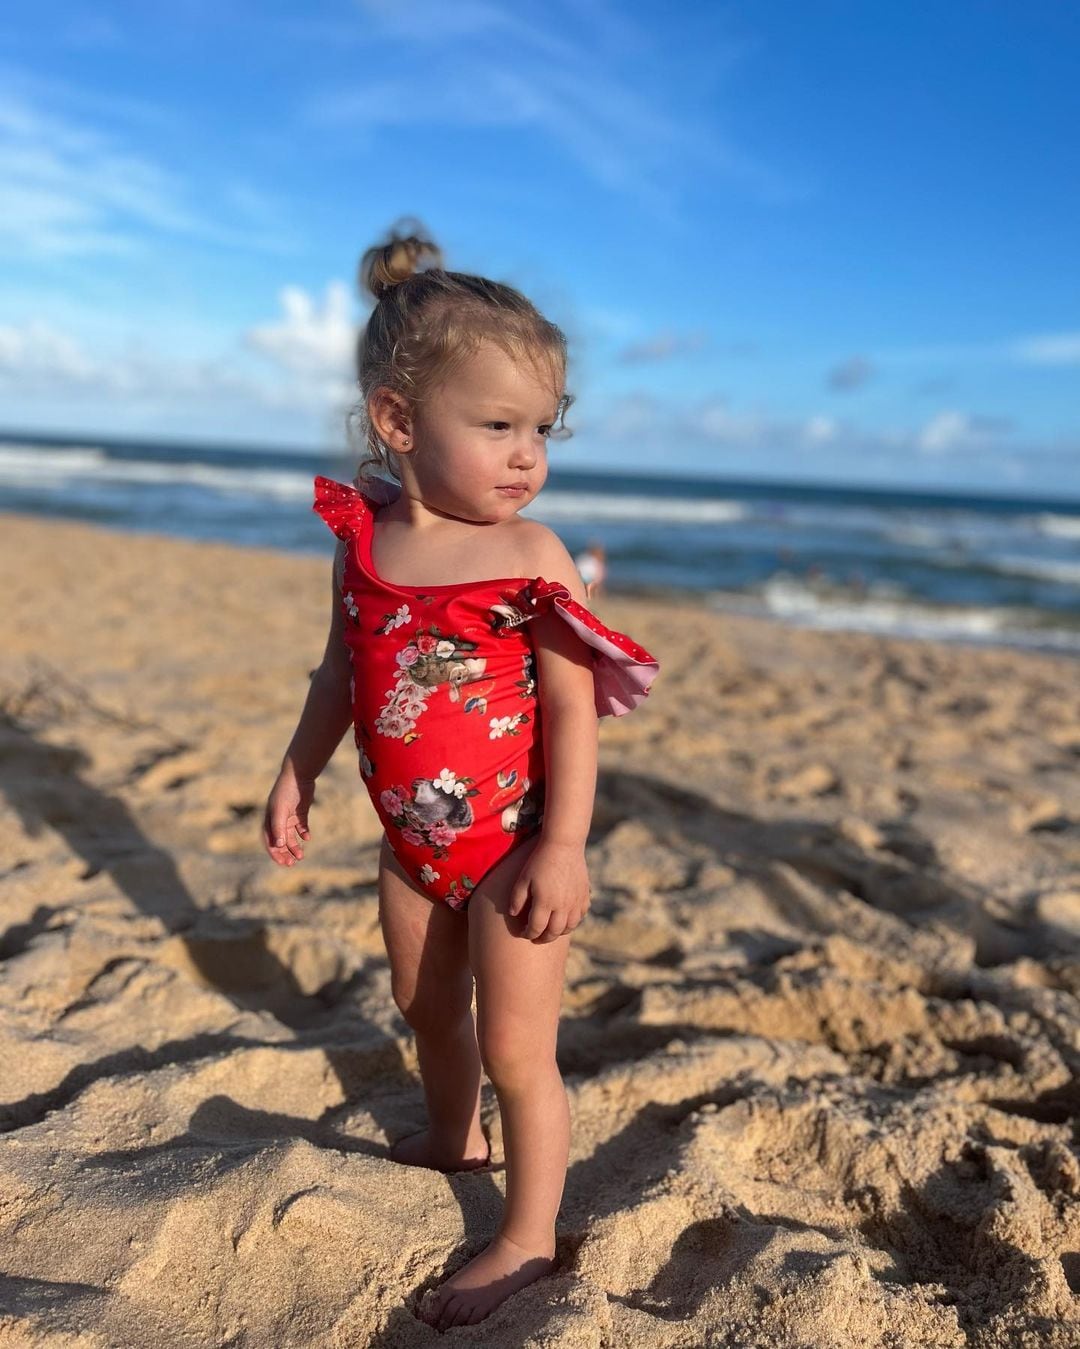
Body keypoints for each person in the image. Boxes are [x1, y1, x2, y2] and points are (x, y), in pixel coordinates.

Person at [261, 220, 659, 1332]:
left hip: (512, 850)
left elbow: (574, 708)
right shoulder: (365, 540)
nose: (528, 454)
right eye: (498, 426)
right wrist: (296, 772)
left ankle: (527, 1231)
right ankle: (450, 1134)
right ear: (398, 421)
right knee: (424, 1006)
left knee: (520, 1048)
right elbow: (342, 671)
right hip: (408, 847)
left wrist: (566, 843)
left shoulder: (532, 554)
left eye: (543, 427)